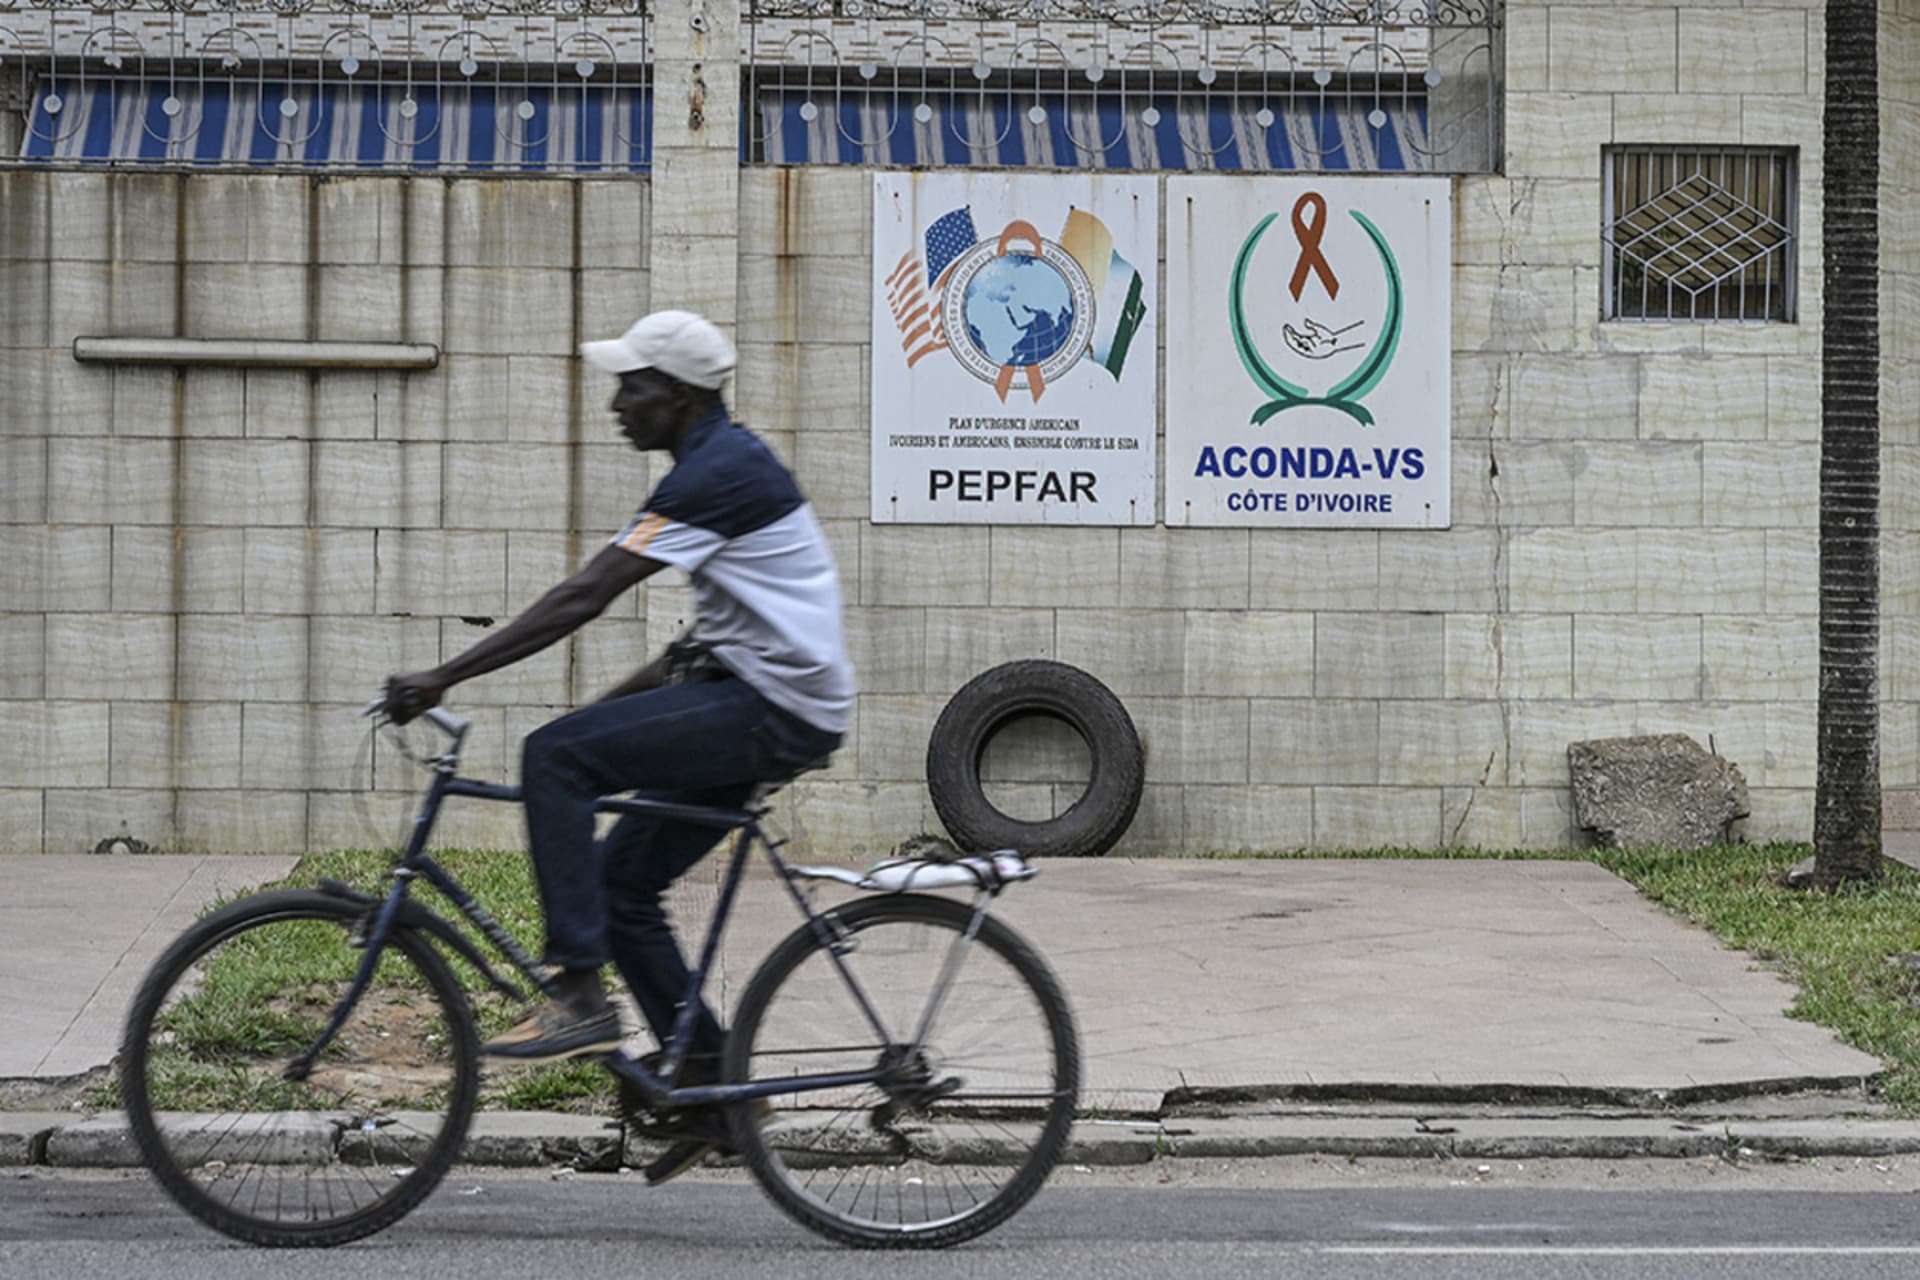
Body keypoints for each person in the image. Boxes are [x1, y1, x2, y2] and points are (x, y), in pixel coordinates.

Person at [381, 310, 851, 1177]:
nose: (615, 404)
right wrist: (601, 727)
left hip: (771, 709)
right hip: (758, 698)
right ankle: (711, 1083)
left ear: (675, 395)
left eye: (630, 386)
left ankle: (577, 994)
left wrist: (445, 676)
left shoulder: (715, 474)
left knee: (551, 754)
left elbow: (584, 595)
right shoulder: (714, 468)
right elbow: (685, 656)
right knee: (620, 883)